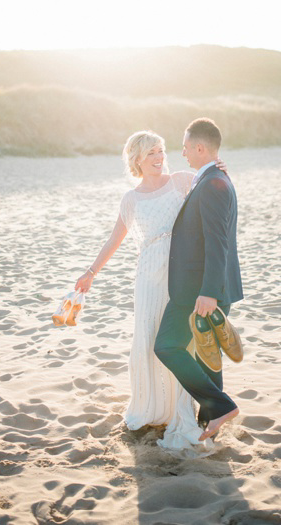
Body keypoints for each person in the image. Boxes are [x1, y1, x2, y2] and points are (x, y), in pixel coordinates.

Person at [73, 130, 227, 450]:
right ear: (137, 160)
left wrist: (218, 169)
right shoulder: (131, 199)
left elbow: (215, 189)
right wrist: (90, 272)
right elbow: (115, 239)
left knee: (178, 343)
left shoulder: (182, 180)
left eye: (160, 151)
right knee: (147, 338)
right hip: (148, 276)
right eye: (150, 154)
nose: (158, 158)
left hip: (182, 271)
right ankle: (151, 407)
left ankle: (180, 411)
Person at [154, 118, 244, 441]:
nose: (182, 152)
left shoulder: (213, 184)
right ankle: (211, 424)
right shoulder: (213, 178)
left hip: (201, 290)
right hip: (205, 288)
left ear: (201, 148)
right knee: (208, 358)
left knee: (166, 345)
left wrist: (208, 293)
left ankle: (219, 407)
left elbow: (217, 242)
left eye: (186, 146)